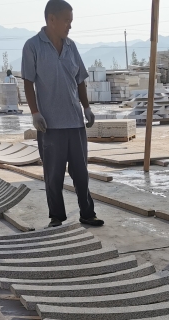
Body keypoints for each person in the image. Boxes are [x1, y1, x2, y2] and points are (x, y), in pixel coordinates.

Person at [21, 0, 103, 227]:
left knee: (81, 173)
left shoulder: (71, 46)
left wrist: (86, 107)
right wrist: (35, 113)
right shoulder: (32, 46)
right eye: (67, 21)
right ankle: (56, 217)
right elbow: (28, 82)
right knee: (53, 175)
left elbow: (80, 80)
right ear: (51, 19)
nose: (70, 26)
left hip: (75, 122)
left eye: (71, 21)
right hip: (50, 125)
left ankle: (87, 213)